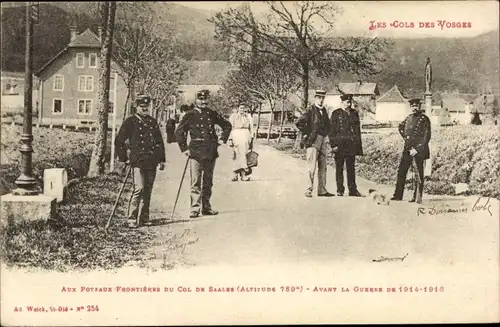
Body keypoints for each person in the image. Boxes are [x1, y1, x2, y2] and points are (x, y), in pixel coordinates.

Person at [174, 90, 232, 218]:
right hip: (195, 151)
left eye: (205, 99)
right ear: (196, 100)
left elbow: (227, 125)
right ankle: (194, 208)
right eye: (201, 99)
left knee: (208, 181)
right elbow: (179, 132)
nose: (203, 102)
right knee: (195, 181)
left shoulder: (212, 114)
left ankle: (206, 207)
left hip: (210, 151)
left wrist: (223, 139)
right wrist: (184, 149)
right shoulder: (189, 115)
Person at [115, 94, 166, 228]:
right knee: (139, 188)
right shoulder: (130, 122)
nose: (144, 109)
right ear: (136, 107)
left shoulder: (152, 122)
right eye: (141, 107)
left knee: (148, 190)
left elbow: (159, 142)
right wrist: (123, 159)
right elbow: (119, 141)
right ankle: (131, 218)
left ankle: (144, 218)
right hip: (137, 161)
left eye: (146, 106)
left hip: (151, 160)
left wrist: (162, 159)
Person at [295, 90, 335, 198]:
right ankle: (308, 189)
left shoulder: (324, 111)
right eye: (319, 98)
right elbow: (299, 123)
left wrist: (327, 136)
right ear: (315, 98)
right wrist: (308, 133)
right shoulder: (310, 110)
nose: (321, 100)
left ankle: (322, 190)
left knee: (323, 165)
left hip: (323, 140)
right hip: (313, 141)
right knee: (311, 166)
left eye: (323, 98)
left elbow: (327, 126)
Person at [391, 99, 431, 203]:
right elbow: (400, 127)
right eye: (412, 106)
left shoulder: (424, 119)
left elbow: (426, 136)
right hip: (408, 149)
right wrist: (406, 138)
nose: (414, 108)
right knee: (401, 172)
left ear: (419, 106)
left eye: (416, 106)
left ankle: (417, 197)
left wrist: (417, 149)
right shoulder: (408, 118)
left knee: (418, 174)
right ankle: (398, 195)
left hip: (419, 150)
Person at [329, 94, 363, 197]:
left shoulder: (354, 113)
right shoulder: (336, 114)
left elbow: (357, 131)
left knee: (351, 168)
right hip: (339, 146)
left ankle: (352, 190)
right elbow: (331, 131)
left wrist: (358, 147)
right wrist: (333, 145)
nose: (348, 104)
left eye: (350, 102)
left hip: (351, 145)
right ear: (342, 102)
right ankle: (340, 190)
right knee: (339, 168)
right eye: (347, 102)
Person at [228, 103, 255, 181]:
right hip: (236, 136)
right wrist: (230, 139)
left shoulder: (248, 117)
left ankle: (243, 175)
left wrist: (252, 138)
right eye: (241, 108)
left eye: (243, 108)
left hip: (246, 137)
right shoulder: (233, 116)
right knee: (236, 155)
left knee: (244, 156)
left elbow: (251, 128)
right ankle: (234, 175)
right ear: (237, 108)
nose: (242, 110)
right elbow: (230, 128)